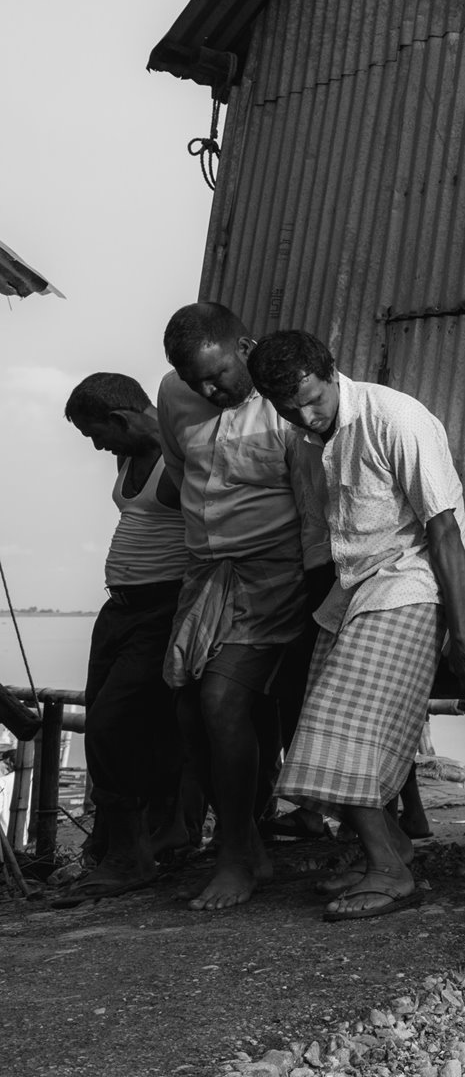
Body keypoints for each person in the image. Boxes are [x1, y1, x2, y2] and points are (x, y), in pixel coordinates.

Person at [245, 331, 465, 920]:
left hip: (406, 587)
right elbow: (327, 538)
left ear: (332, 374)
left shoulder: (395, 417)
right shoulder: (304, 442)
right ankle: (391, 847)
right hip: (349, 594)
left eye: (312, 399)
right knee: (322, 732)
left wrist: (464, 632)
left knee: (336, 727)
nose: (305, 415)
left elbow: (445, 531)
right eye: (287, 408)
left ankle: (390, 873)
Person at [158, 302, 333, 911]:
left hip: (273, 578)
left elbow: (314, 506)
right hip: (205, 576)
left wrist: (318, 595)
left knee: (222, 700)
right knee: (186, 711)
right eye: (193, 378)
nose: (208, 388)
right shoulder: (174, 398)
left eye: (219, 374)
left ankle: (233, 858)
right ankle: (249, 841)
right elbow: (181, 479)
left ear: (243, 347)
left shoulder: (284, 408)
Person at [56, 374, 190, 902]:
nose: (97, 446)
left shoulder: (177, 455)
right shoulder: (127, 457)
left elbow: (206, 532)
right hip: (120, 611)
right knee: (112, 715)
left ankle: (129, 857)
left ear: (121, 418)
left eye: (97, 433)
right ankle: (145, 835)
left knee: (113, 723)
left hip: (163, 608)